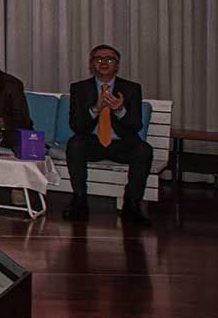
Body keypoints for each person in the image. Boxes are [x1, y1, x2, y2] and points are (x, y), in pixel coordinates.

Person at [64, 45, 153, 225]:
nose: (104, 63)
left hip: (121, 143)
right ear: (91, 64)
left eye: (109, 59)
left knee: (144, 150)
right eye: (98, 59)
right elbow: (77, 126)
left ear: (117, 65)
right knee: (75, 144)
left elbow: (135, 126)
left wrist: (120, 110)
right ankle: (79, 201)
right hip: (93, 142)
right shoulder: (80, 88)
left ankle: (132, 204)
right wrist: (95, 109)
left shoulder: (131, 89)